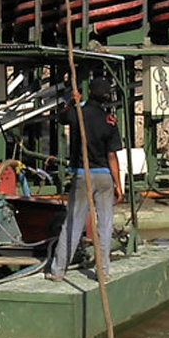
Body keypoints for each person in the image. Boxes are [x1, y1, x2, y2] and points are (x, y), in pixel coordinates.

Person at [46, 76, 124, 281]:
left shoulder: (78, 113)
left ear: (89, 93)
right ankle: (103, 270)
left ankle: (58, 271)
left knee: (73, 222)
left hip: (83, 176)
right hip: (105, 176)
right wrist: (118, 184)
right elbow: (112, 156)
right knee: (105, 224)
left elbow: (61, 117)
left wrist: (71, 100)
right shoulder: (110, 121)